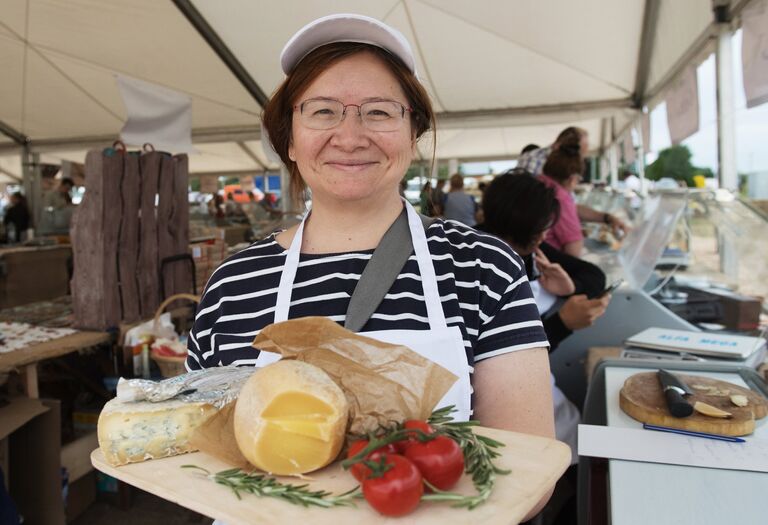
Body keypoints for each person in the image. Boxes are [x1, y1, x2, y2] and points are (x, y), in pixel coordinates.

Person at [188, 13, 554, 520]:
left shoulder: (483, 268)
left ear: (413, 133)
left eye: (379, 112)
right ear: (289, 140)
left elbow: (527, 477)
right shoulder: (232, 283)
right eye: (322, 111)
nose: (350, 135)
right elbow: (203, 459)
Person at [479, 172, 611, 525]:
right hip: (505, 413)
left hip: (542, 403)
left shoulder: (531, 254)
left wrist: (567, 288)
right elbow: (487, 359)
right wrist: (561, 323)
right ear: (537, 230)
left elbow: (593, 278)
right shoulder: (486, 266)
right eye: (545, 229)